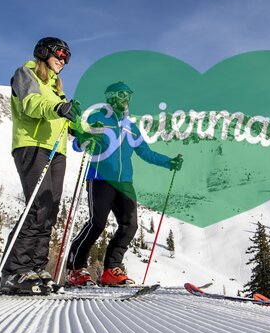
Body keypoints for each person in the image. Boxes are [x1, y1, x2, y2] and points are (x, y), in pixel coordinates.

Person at [65, 81, 183, 287]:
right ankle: (75, 269)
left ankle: (111, 270)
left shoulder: (131, 127)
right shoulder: (97, 118)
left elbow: (146, 152)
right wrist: (89, 137)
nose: (126, 99)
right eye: (121, 94)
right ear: (110, 96)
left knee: (130, 225)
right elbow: (77, 143)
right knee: (97, 224)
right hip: (99, 178)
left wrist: (169, 162)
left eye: (128, 95)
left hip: (124, 182)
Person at [0, 37, 81, 295]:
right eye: (60, 53)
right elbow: (31, 104)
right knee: (37, 206)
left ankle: (35, 267)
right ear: (44, 52)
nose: (64, 60)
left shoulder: (57, 87)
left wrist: (85, 132)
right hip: (31, 145)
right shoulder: (26, 73)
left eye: (67, 57)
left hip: (57, 150)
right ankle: (13, 271)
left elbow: (65, 120)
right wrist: (58, 107)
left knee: (50, 209)